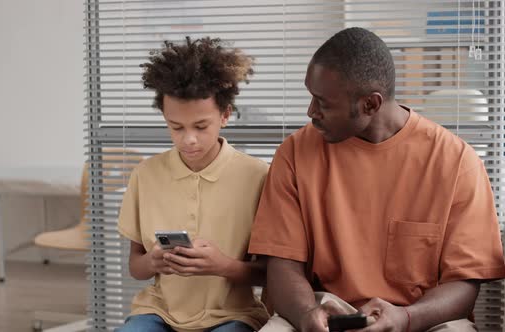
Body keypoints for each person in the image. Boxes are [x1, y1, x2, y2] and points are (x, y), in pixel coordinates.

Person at [248, 27, 505, 332]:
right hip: (323, 309)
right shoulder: (293, 153)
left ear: (370, 104)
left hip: (420, 318)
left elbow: (463, 285)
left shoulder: (457, 162)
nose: (310, 112)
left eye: (323, 102)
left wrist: (406, 318)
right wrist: (306, 314)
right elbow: (282, 266)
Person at [115, 36, 270, 332]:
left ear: (225, 115)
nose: (188, 139)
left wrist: (222, 265)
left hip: (233, 315)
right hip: (158, 312)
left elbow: (271, 274)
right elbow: (136, 266)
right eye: (176, 127)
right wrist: (155, 262)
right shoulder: (145, 175)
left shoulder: (258, 176)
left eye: (201, 126)